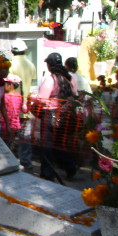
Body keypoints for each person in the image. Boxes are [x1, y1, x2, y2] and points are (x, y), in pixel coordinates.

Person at [35, 52, 78, 182]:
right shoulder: (69, 78)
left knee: (47, 145)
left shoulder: (51, 79)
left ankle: (47, 173)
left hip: (51, 114)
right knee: (59, 143)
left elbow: (42, 99)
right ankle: (69, 166)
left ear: (49, 65)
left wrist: (33, 98)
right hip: (65, 114)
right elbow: (74, 94)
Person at [8, 39, 36, 171]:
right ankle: (26, 161)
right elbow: (32, 84)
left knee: (9, 133)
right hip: (26, 106)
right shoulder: (30, 65)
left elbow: (7, 86)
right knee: (25, 135)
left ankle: (7, 159)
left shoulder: (11, 64)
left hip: (11, 105)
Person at [0, 73, 23, 154]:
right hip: (16, 125)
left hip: (6, 126)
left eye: (5, 84)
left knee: (5, 147)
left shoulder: (5, 97)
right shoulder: (19, 96)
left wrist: (8, 126)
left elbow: (8, 113)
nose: (3, 85)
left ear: (11, 85)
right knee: (13, 147)